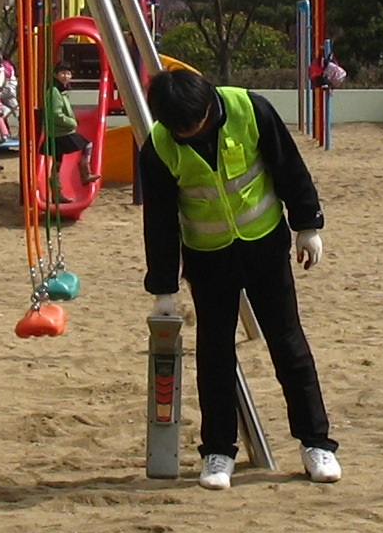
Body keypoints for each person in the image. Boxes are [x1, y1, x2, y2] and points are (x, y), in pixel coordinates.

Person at [140, 68, 340, 490]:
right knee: (214, 354)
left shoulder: (250, 109)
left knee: (288, 345)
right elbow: (158, 220)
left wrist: (307, 225)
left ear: (208, 106)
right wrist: (163, 287)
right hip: (207, 257)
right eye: (180, 132)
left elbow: (289, 166)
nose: (189, 135)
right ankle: (218, 452)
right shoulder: (159, 146)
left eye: (194, 126)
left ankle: (315, 444)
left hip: (264, 246)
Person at [42, 63, 95, 193]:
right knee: (87, 145)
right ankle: (85, 173)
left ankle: (57, 192)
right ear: (56, 75)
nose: (65, 76)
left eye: (68, 73)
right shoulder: (54, 92)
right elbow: (55, 114)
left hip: (56, 131)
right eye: (62, 73)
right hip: (61, 131)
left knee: (57, 162)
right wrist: (71, 122)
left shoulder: (60, 91)